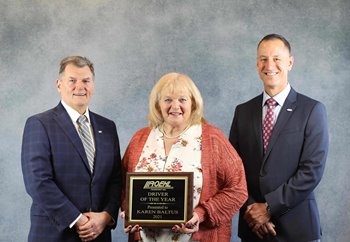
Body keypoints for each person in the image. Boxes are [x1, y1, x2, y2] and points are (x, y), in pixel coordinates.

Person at [121, 72, 248, 242]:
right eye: (168, 100)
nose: (175, 106)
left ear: (193, 104)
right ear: (158, 104)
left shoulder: (213, 138)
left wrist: (201, 214)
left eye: (182, 99)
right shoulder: (140, 139)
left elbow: (237, 189)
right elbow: (123, 186)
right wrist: (129, 212)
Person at [229, 34, 329, 242]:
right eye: (263, 59)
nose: (269, 65)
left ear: (290, 63)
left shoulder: (312, 110)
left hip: (298, 229)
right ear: (257, 64)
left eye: (277, 58)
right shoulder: (243, 112)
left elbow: (312, 170)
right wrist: (252, 210)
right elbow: (233, 170)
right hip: (253, 228)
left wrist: (268, 208)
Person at [21, 56, 122, 242]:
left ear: (93, 85)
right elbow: (38, 182)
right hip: (54, 235)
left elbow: (116, 180)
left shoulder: (108, 127)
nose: (80, 86)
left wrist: (106, 216)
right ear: (59, 85)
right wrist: (78, 219)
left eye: (86, 80)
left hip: (99, 235)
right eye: (72, 80)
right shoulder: (39, 124)